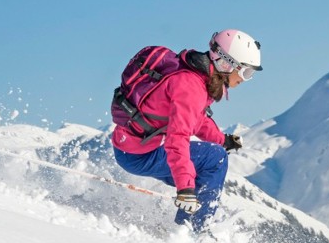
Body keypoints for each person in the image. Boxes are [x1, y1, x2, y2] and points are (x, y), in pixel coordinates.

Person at [111, 29, 263, 232]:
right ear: (226, 63)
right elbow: (178, 138)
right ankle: (194, 230)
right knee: (215, 159)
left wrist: (222, 140)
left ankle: (191, 224)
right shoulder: (191, 87)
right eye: (246, 72)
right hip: (139, 155)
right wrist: (185, 189)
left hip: (129, 147)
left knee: (213, 155)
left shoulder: (193, 76)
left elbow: (196, 119)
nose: (245, 79)